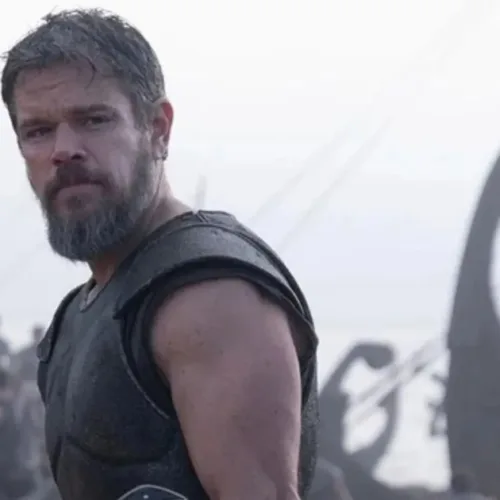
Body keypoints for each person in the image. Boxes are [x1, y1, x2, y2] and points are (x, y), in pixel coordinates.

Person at [1, 8, 319, 500]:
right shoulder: (86, 308)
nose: (64, 150)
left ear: (157, 129)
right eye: (38, 131)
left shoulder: (209, 299)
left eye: (94, 120)